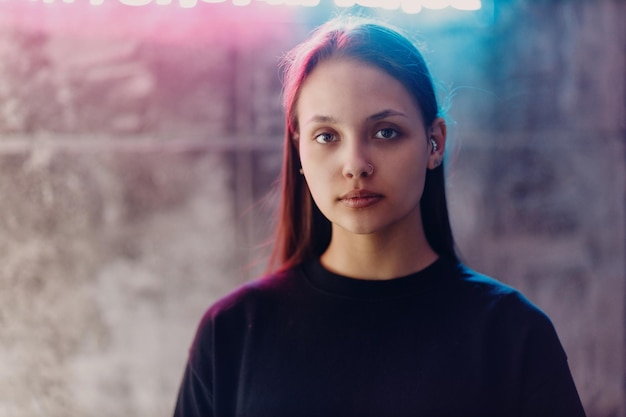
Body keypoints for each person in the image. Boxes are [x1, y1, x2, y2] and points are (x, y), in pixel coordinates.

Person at [173, 17, 586, 417]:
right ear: (299, 149)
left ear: (434, 143)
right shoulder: (230, 334)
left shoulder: (513, 336)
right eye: (327, 137)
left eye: (385, 132)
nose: (355, 165)